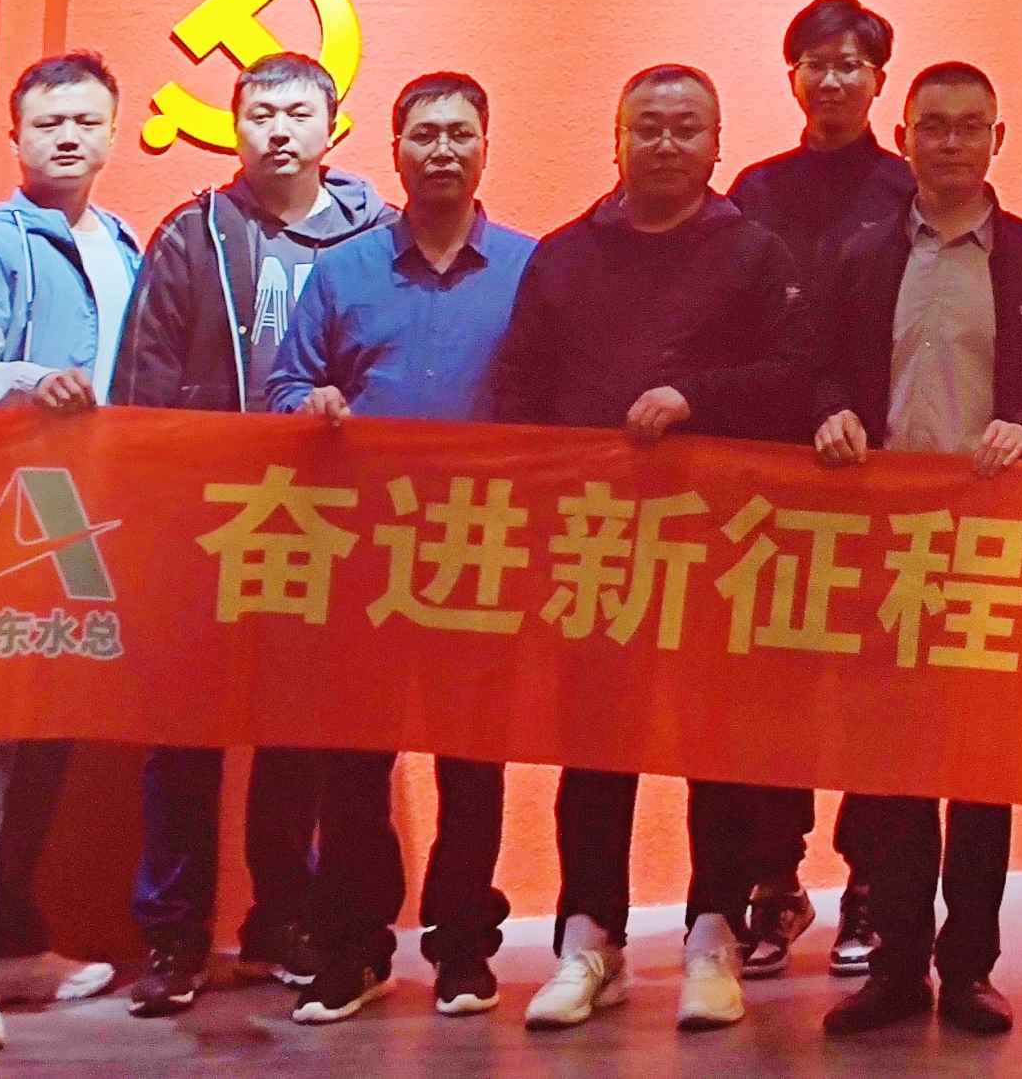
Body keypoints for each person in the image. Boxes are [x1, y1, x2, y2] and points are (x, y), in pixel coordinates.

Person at [491, 66, 811, 1035]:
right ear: (617, 140)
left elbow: (794, 378)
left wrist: (695, 399)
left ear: (716, 145)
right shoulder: (562, 258)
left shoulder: (754, 253)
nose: (666, 145)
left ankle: (713, 936)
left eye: (686, 129)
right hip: (595, 544)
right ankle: (591, 941)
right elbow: (519, 391)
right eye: (649, 128)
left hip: (717, 544)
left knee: (718, 743)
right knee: (595, 747)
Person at [799, 60, 1022, 1043]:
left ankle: (970, 967)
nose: (951, 143)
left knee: (981, 768)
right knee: (890, 767)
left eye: (970, 127)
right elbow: (821, 365)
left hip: (989, 542)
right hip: (883, 545)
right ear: (904, 136)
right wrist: (832, 409)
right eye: (933, 126)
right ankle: (895, 964)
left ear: (998, 139)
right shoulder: (859, 252)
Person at [116, 53, 389, 1017]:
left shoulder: (379, 237)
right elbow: (144, 382)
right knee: (184, 739)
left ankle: (283, 922)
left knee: (299, 737)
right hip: (207, 522)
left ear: (332, 127)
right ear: (233, 126)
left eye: (299, 112)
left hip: (326, 526)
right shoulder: (192, 234)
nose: (279, 129)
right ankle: (173, 937)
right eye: (260, 112)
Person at [261, 71, 534, 1023]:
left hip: (483, 552)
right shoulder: (343, 272)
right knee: (352, 765)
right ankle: (355, 949)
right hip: (362, 557)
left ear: (485, 146)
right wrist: (309, 404)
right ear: (395, 150)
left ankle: (463, 950)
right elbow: (284, 387)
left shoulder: (532, 270)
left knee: (473, 765)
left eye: (460, 133)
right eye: (424, 135)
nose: (442, 150)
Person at [0, 53, 145, 1055]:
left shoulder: (126, 244)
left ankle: (9, 945)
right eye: (49, 122)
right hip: (0, 519)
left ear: (113, 131)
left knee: (50, 734)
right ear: (15, 136)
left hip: (92, 522)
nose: (68, 136)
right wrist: (28, 380)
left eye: (86, 121)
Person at [729, 0, 919, 983]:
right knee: (774, 689)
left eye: (852, 64)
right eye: (817, 62)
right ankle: (775, 879)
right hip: (774, 473)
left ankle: (872, 884)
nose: (834, 80)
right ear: (792, 76)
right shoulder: (754, 190)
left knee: (877, 690)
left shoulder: (909, 191)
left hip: (878, 469)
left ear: (880, 80)